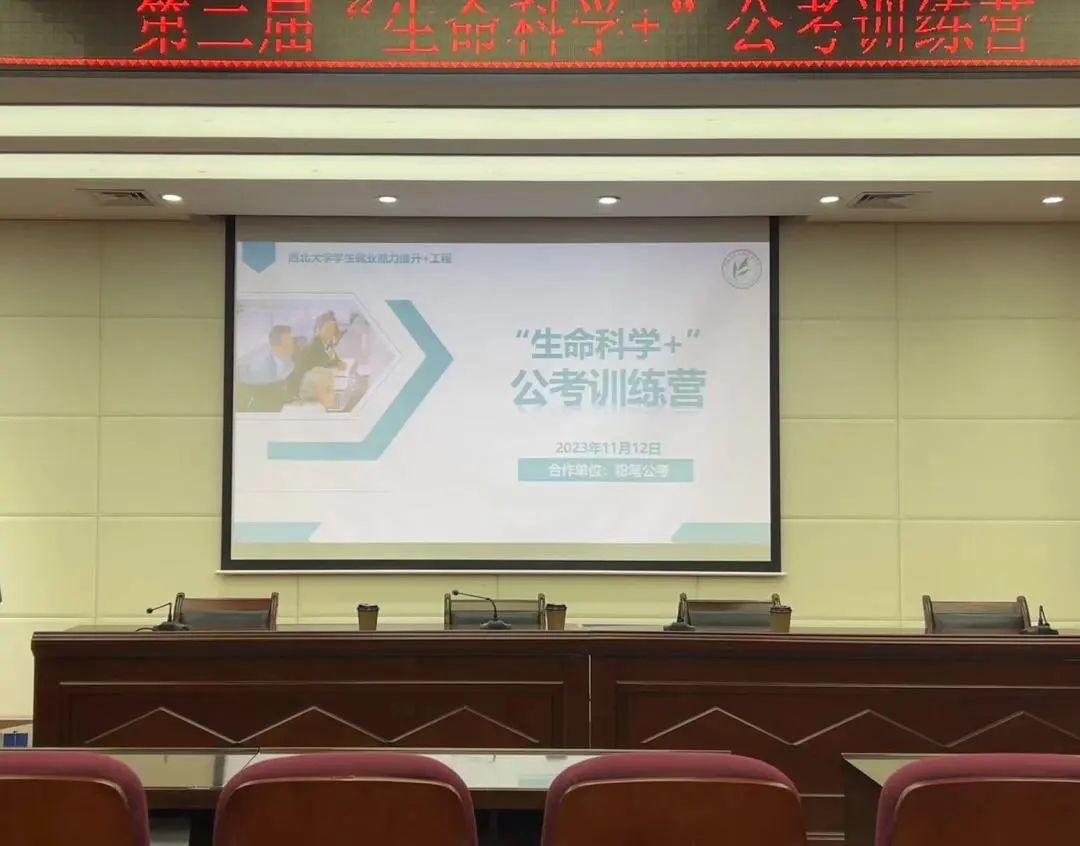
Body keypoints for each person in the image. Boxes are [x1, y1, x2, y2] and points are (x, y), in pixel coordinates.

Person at [289, 312, 346, 396]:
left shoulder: (327, 343)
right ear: (319, 329)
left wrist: (338, 362)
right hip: (306, 388)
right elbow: (323, 366)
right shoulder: (314, 347)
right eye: (327, 329)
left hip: (318, 381)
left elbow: (332, 357)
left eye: (332, 329)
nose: (331, 332)